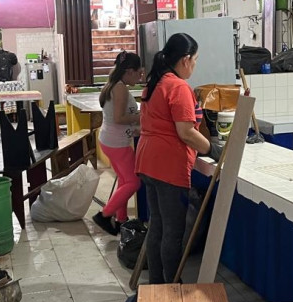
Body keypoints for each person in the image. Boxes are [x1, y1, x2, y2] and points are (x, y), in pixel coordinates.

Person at [136, 33, 219, 285]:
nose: (195, 65)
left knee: (157, 226)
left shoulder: (156, 82)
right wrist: (212, 149)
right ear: (185, 59)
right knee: (172, 231)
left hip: (148, 160)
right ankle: (172, 286)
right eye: (195, 60)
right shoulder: (178, 87)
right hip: (167, 165)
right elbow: (186, 132)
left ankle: (157, 285)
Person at [93, 52, 145, 235]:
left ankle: (121, 219)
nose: (140, 77)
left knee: (124, 180)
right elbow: (119, 118)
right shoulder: (120, 88)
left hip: (110, 140)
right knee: (134, 182)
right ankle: (104, 215)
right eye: (139, 73)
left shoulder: (115, 84)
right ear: (129, 71)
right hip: (117, 144)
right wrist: (141, 116)